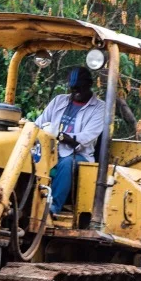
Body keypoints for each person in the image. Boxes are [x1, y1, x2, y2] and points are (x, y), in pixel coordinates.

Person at [35, 67, 106, 214]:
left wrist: (59, 135)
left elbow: (85, 138)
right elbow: (39, 123)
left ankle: (51, 208)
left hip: (80, 156)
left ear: (89, 85)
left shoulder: (99, 108)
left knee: (67, 163)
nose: (76, 93)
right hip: (51, 151)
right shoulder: (59, 101)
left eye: (80, 88)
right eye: (73, 89)